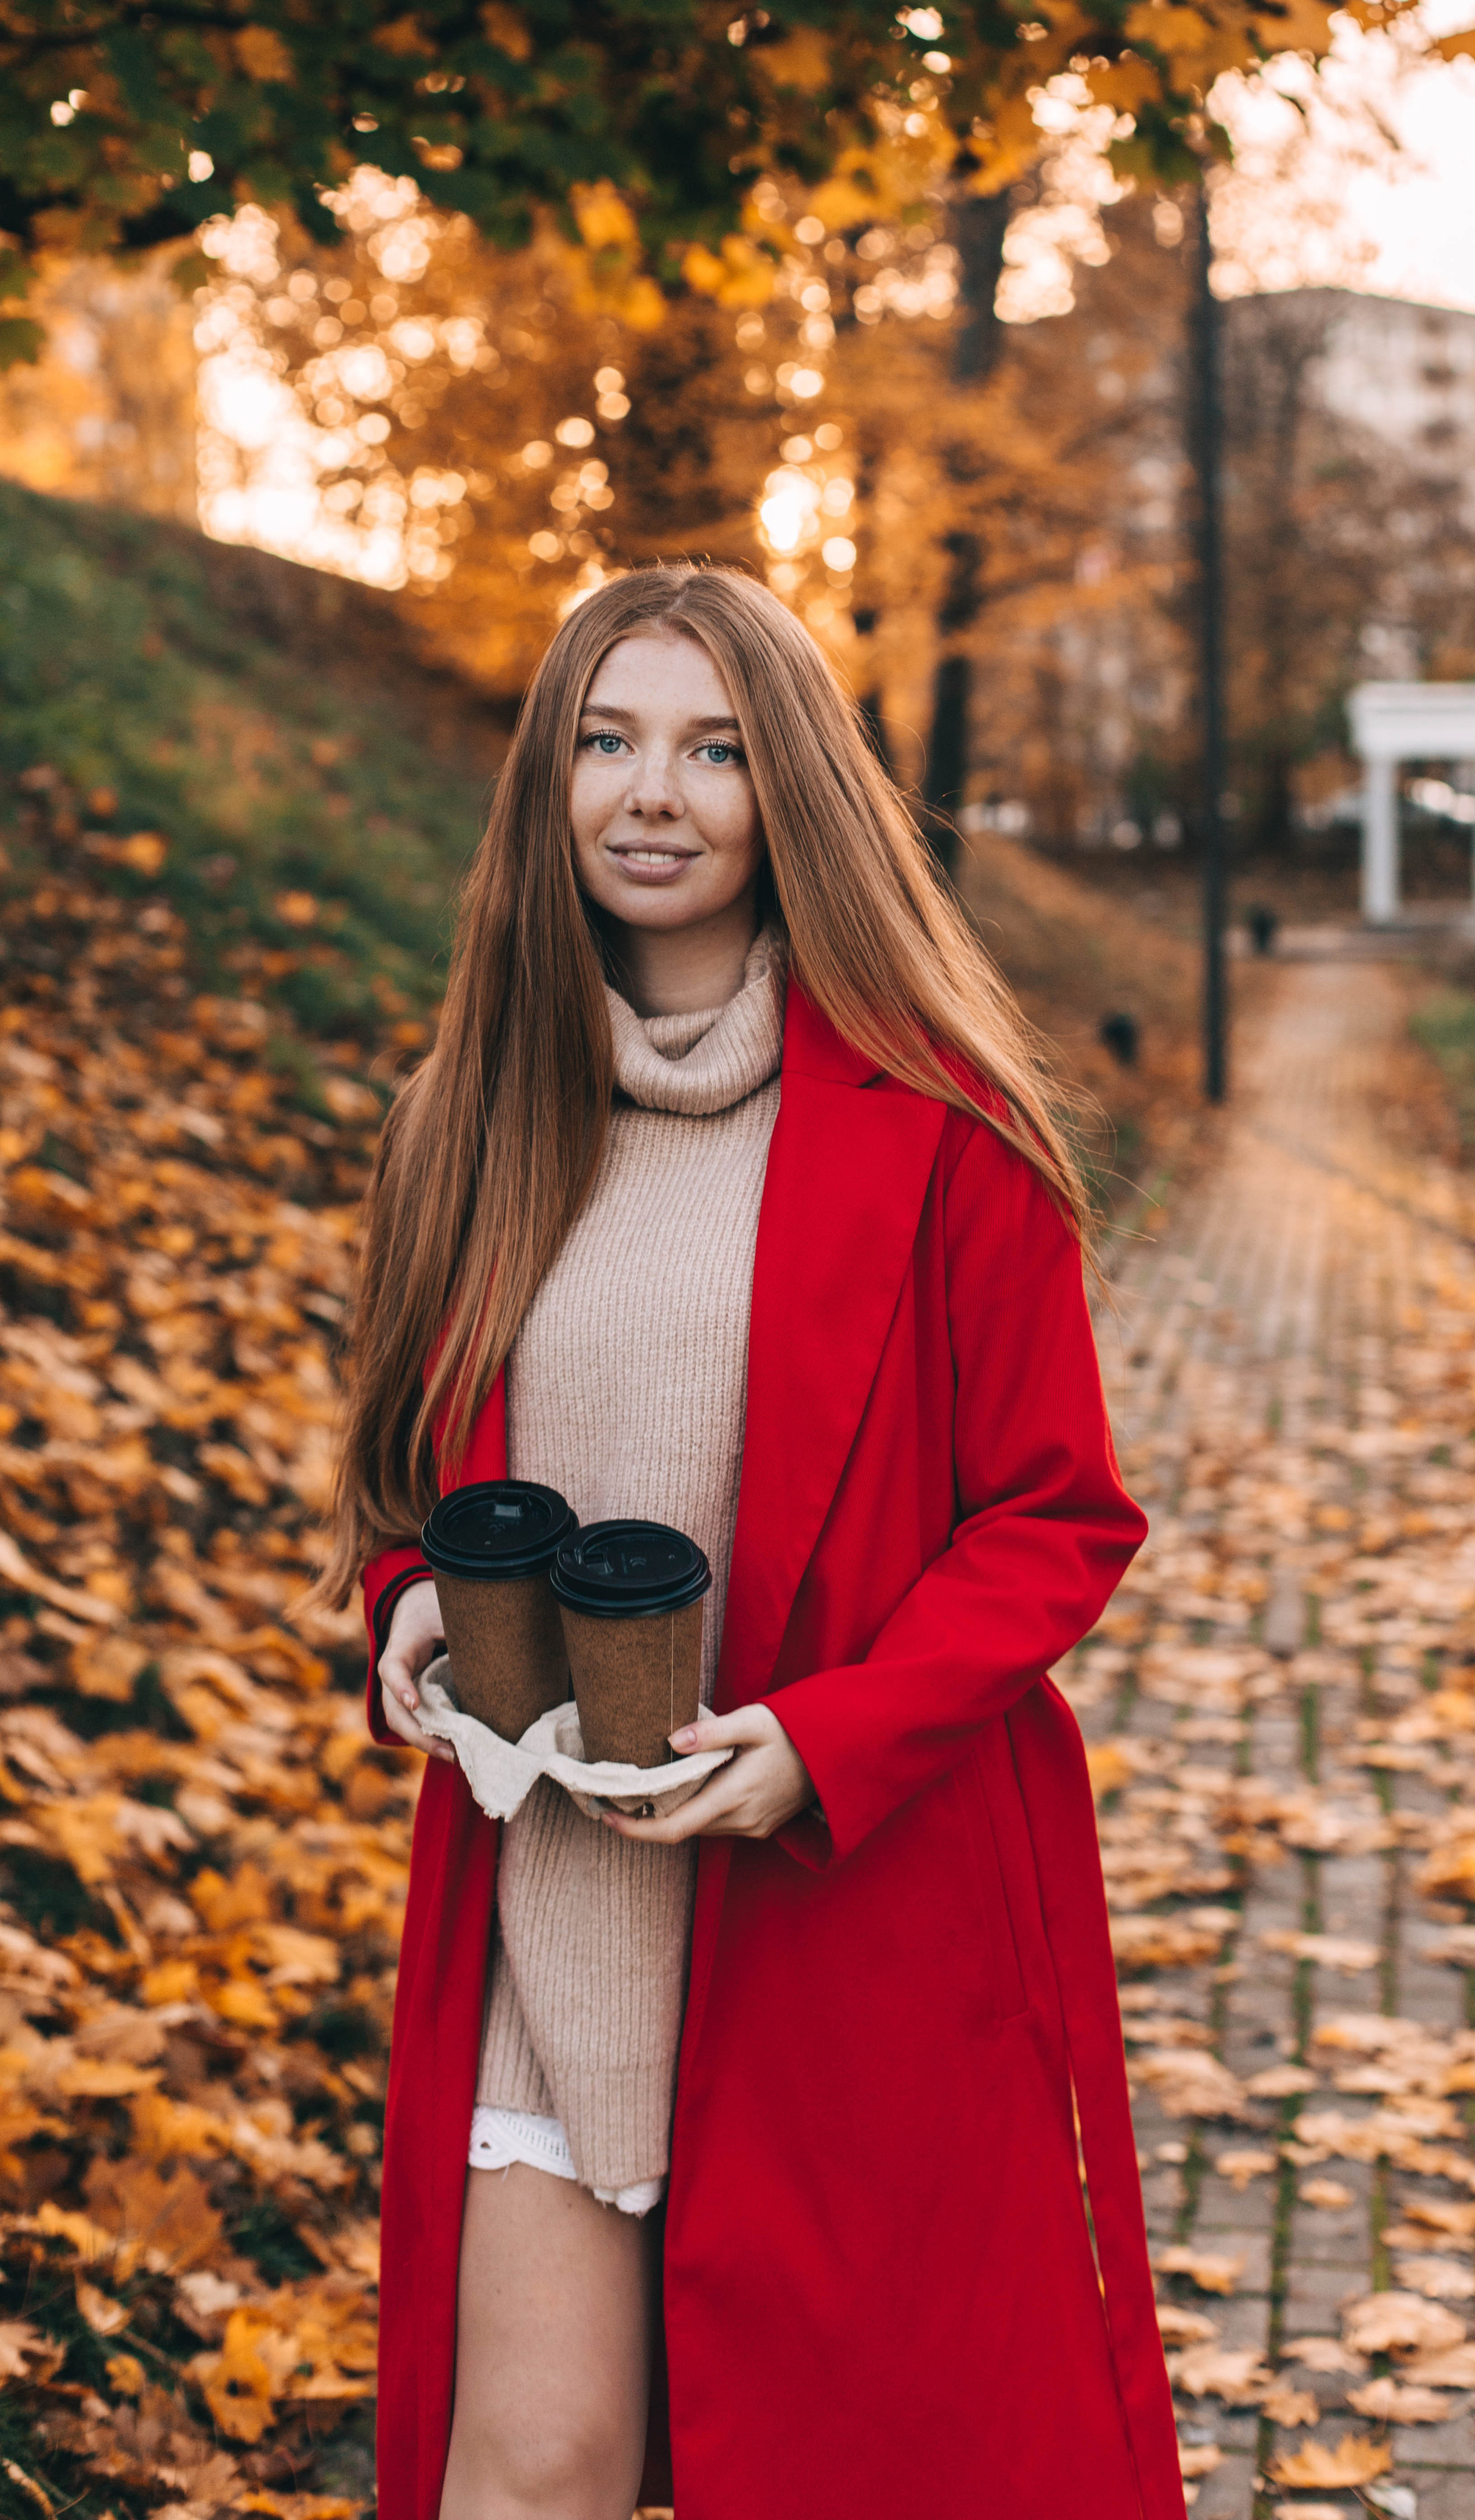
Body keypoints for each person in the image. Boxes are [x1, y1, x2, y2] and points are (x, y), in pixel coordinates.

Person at [326, 567, 1185, 2520]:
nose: (656, 793)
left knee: (835, 2468)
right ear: (549, 783)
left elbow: (1057, 1516)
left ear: (789, 787)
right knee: (530, 2471)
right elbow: (407, 1486)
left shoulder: (951, 1131)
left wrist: (830, 1737)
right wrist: (405, 1612)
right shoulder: (464, 1123)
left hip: (832, 1913)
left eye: (713, 750)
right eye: (610, 742)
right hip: (557, 1904)